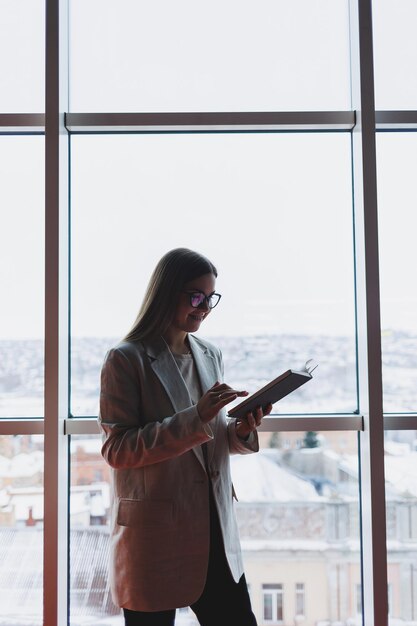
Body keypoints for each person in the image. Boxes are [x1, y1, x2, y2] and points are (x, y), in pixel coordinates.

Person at [98, 248, 272, 626]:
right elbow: (118, 449)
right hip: (156, 535)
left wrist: (240, 432)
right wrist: (197, 416)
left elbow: (210, 440)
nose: (204, 307)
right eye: (195, 296)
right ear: (166, 293)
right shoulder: (126, 359)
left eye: (210, 298)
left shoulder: (210, 354)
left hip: (215, 530)